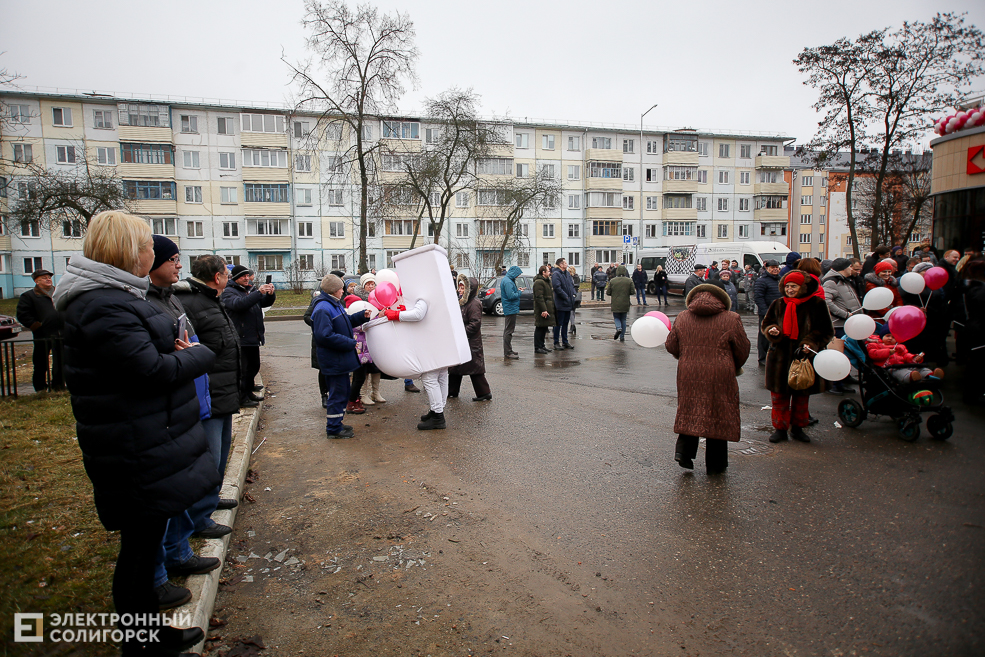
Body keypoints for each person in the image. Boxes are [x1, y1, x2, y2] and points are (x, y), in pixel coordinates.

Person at [52, 210, 213, 655]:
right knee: (139, 552)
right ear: (128, 251)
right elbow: (148, 370)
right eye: (148, 245)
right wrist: (197, 356)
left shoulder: (115, 297)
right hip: (133, 445)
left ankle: (147, 633)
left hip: (140, 438)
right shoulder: (103, 304)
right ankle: (142, 642)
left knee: (143, 546)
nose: (154, 252)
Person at [144, 237, 224, 609]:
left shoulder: (169, 297)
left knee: (181, 485)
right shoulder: (141, 302)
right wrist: (194, 356)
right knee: (161, 499)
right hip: (162, 413)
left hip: (190, 399)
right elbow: (161, 358)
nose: (179, 265)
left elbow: (187, 342)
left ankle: (178, 551)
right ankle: (158, 573)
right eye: (172, 259)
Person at [173, 255, 243, 540]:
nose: (228, 276)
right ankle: (200, 517)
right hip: (209, 392)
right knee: (209, 456)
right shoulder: (191, 303)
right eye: (226, 272)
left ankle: (211, 500)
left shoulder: (212, 300)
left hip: (224, 390)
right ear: (217, 277)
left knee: (222, 451)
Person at [666, 282, 750, 474]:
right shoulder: (731, 318)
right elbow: (742, 349)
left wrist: (686, 355)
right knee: (719, 413)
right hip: (720, 372)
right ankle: (716, 464)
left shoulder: (683, 316)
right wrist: (732, 364)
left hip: (688, 371)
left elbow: (671, 345)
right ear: (722, 298)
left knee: (690, 409)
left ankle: (684, 453)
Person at [761, 271, 834, 444]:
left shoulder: (817, 304)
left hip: (804, 356)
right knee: (779, 396)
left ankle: (798, 428)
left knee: (801, 395)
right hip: (779, 356)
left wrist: (809, 343)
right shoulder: (778, 303)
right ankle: (780, 429)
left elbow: (826, 331)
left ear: (803, 287)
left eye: (793, 286)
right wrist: (773, 331)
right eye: (787, 286)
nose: (789, 289)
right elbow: (766, 324)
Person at [310, 274, 371, 438]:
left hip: (339, 359)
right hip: (334, 360)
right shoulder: (323, 308)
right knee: (337, 394)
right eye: (341, 288)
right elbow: (324, 336)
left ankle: (337, 423)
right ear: (335, 290)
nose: (343, 291)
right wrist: (349, 343)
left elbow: (345, 322)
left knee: (342, 393)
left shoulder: (333, 304)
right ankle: (333, 429)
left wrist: (360, 316)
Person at [379, 297, 449, 430]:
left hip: (433, 343)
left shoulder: (423, 295)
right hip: (441, 340)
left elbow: (418, 314)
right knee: (441, 376)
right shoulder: (436, 293)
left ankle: (438, 416)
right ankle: (437, 411)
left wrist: (395, 314)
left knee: (430, 378)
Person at [221, 265, 275, 406]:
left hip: (253, 336)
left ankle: (248, 392)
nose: (246, 278)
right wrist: (257, 293)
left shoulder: (247, 290)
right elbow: (239, 305)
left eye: (247, 275)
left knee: (253, 366)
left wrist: (269, 295)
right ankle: (241, 398)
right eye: (243, 276)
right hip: (241, 336)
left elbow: (262, 303)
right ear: (235, 278)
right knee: (243, 370)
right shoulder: (229, 292)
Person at [16, 268, 64, 392]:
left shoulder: (59, 293)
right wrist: (36, 326)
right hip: (42, 334)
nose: (48, 279)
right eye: (44, 278)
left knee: (60, 361)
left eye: (49, 277)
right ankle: (40, 387)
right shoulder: (29, 296)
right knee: (40, 362)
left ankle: (58, 386)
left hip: (60, 333)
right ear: (37, 281)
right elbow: (23, 315)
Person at [821, 257, 862, 394]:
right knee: (838, 354)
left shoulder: (844, 280)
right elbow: (827, 301)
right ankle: (834, 383)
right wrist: (845, 314)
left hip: (847, 323)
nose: (852, 269)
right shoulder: (831, 281)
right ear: (844, 268)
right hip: (839, 324)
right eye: (850, 267)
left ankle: (844, 377)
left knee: (846, 353)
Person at [448, 275, 491, 401]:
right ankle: (452, 391)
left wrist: (461, 334)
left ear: (468, 290)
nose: (459, 290)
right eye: (459, 287)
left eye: (462, 288)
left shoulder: (474, 304)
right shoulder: (463, 302)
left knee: (475, 369)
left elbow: (475, 324)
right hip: (465, 341)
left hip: (471, 342)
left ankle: (484, 393)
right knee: (456, 367)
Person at [865, 331, 943, 382]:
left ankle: (930, 374)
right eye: (888, 336)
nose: (890, 338)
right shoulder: (874, 345)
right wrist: (888, 352)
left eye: (893, 337)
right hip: (890, 367)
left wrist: (914, 358)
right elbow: (873, 354)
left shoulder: (900, 346)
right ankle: (911, 377)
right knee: (901, 372)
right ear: (881, 337)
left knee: (918, 367)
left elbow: (905, 355)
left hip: (903, 364)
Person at [753, 260, 782, 366]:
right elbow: (758, 297)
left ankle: (774, 355)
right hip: (766, 313)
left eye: (777, 267)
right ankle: (763, 357)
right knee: (764, 335)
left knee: (776, 334)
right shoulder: (762, 281)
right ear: (767, 268)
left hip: (779, 312)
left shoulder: (779, 280)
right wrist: (765, 312)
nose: (775, 269)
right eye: (772, 267)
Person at [551, 257, 577, 349]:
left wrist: (573, 294)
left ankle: (565, 342)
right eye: (565, 263)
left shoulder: (567, 274)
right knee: (558, 323)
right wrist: (565, 296)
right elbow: (557, 288)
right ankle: (556, 342)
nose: (567, 264)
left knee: (566, 323)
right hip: (561, 303)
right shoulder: (556, 274)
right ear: (561, 265)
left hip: (568, 303)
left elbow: (572, 286)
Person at [606, 265, 634, 341]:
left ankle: (618, 328)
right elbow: (632, 292)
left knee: (616, 317)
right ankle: (622, 336)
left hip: (615, 302)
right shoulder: (629, 280)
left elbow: (608, 292)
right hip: (625, 302)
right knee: (624, 319)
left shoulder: (612, 281)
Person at [533, 265, 556, 354]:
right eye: (548, 271)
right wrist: (543, 310)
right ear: (543, 272)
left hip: (547, 307)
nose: (549, 272)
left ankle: (542, 346)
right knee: (539, 327)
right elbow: (539, 297)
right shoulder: (539, 282)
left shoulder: (547, 281)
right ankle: (537, 347)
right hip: (541, 309)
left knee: (544, 327)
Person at [500, 266, 522, 359]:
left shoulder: (508, 280)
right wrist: (519, 292)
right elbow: (511, 296)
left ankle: (509, 350)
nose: (518, 276)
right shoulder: (508, 281)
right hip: (510, 308)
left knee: (508, 330)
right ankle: (508, 352)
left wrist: (517, 290)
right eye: (518, 274)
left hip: (510, 308)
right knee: (509, 331)